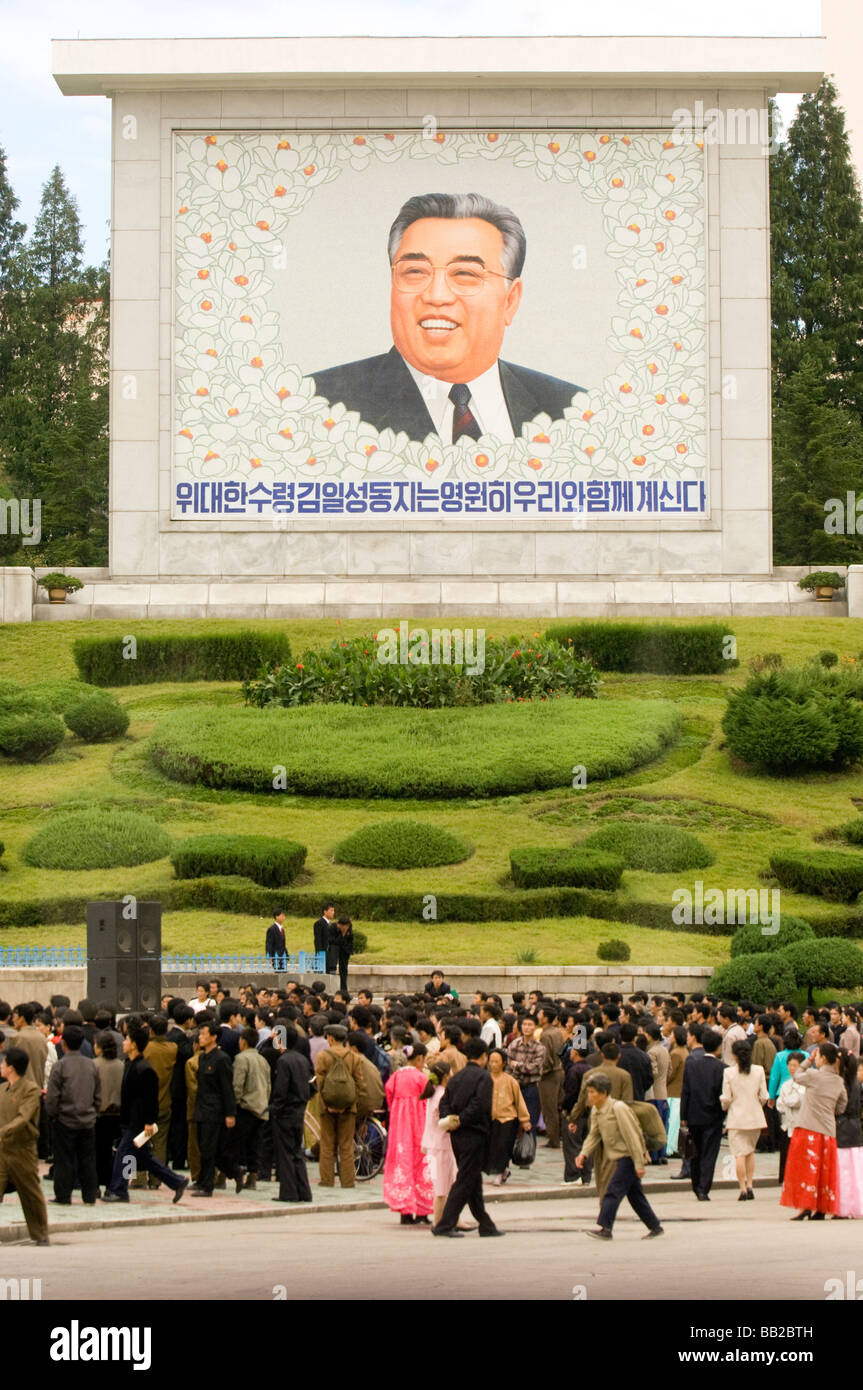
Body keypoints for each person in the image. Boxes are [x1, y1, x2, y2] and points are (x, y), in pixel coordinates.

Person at [309, 192, 583, 442]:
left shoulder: (574, 411)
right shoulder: (315, 405)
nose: (436, 295)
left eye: (465, 274)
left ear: (510, 301)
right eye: (415, 272)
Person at [102, 1027, 188, 1205]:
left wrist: (149, 1121)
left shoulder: (144, 1069)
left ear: (134, 1045)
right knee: (142, 1157)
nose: (123, 1043)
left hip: (139, 1122)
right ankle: (177, 1181)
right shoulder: (130, 1064)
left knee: (124, 1154)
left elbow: (150, 1099)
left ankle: (119, 1190)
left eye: (126, 1040)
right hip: (130, 1120)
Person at [576, 1073, 664, 1240]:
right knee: (635, 1196)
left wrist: (639, 1163)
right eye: (588, 1092)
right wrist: (583, 1154)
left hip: (628, 1156)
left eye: (592, 1092)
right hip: (618, 1156)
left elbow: (633, 1136)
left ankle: (605, 1228)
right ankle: (655, 1226)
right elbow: (594, 1135)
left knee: (613, 1191)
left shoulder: (618, 1108)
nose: (589, 1096)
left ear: (603, 1093)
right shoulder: (597, 1110)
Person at [432, 1037, 501, 1238]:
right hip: (474, 1133)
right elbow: (480, 1104)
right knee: (465, 1180)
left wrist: (450, 1119)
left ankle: (486, 1224)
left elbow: (444, 1102)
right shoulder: (483, 1077)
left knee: (471, 1178)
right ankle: (445, 1224)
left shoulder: (456, 1077)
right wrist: (463, 1119)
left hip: (456, 1134)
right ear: (483, 1056)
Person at [781, 1041, 846, 1219]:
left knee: (805, 1169)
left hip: (808, 1127)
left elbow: (796, 1075)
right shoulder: (839, 1081)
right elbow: (841, 1106)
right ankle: (822, 1208)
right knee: (825, 1171)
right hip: (828, 1131)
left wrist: (807, 1060)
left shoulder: (813, 1075)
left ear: (823, 1058)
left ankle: (806, 1206)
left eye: (817, 1056)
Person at [45, 1024, 100, 1206]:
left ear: (64, 1044)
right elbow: (98, 1094)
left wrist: (53, 1115)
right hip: (88, 1120)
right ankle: (89, 1195)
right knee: (88, 1159)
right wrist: (94, 1112)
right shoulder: (91, 1065)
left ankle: (63, 1195)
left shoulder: (60, 1066)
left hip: (64, 1120)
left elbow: (52, 1097)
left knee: (64, 1160)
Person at [0, 1048, 49, 1244]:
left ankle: (40, 1235)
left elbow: (23, 1118)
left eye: (3, 1063)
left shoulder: (30, 1090)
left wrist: (3, 1132)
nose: (1, 1066)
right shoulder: (2, 1090)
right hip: (2, 1149)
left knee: (30, 1194)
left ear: (11, 1067)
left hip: (23, 1150)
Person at [191, 1019, 243, 1197]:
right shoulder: (203, 1057)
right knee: (206, 1148)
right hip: (201, 1109)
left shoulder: (222, 1059)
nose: (200, 1037)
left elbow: (227, 1088)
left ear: (214, 1037)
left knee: (209, 1149)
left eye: (204, 1034)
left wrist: (230, 1113)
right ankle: (234, 1172)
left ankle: (207, 1185)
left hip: (215, 1111)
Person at [383, 1043, 434, 1224]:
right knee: (421, 1164)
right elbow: (429, 1099)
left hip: (399, 1127)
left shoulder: (395, 1077)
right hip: (419, 1125)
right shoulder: (421, 1077)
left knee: (402, 1163)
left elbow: (388, 1097)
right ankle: (422, 1211)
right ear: (419, 1059)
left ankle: (405, 1212)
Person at [315, 1024, 367, 1189]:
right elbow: (359, 1083)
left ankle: (327, 1180)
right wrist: (350, 1102)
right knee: (346, 1146)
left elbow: (320, 1083)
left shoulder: (322, 1056)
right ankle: (347, 1181)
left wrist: (327, 1103)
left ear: (330, 1038)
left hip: (327, 1107)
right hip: (348, 1109)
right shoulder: (353, 1057)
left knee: (327, 1145)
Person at [720, 1039, 769, 1201]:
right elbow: (764, 1096)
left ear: (734, 1055)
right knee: (749, 1151)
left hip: (737, 1117)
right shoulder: (759, 1070)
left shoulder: (729, 1072)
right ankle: (750, 1185)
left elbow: (726, 1098)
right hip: (755, 1116)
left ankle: (742, 1187)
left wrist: (724, 1104)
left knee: (739, 1154)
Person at [680, 1026, 725, 1202]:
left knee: (695, 1151)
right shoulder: (722, 1068)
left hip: (693, 1114)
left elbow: (686, 1091)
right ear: (718, 1047)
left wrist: (683, 1116)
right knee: (709, 1153)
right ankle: (704, 1188)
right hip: (713, 1116)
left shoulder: (691, 1064)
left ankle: (695, 1183)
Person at [270, 1024, 313, 1203]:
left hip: (286, 1112)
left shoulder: (284, 1061)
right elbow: (312, 1085)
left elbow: (281, 1090)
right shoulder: (302, 1059)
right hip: (299, 1110)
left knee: (286, 1154)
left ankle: (288, 1192)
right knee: (296, 1152)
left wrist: (274, 1108)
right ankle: (303, 1191)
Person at [421, 1058, 457, 1228]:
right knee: (443, 1186)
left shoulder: (434, 1093)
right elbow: (444, 1120)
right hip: (442, 1143)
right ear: (445, 1076)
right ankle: (439, 1222)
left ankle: (450, 1220)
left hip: (435, 1143)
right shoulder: (442, 1095)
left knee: (444, 1184)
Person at [486, 1046, 530, 1186]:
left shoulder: (510, 1081)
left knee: (503, 1146)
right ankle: (501, 1171)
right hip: (490, 1118)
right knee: (491, 1146)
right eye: (491, 1061)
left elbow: (519, 1101)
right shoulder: (485, 1079)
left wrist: (525, 1120)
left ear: (503, 1063)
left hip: (508, 1118)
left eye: (496, 1061)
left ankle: (500, 1172)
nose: (493, 1064)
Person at [233, 1027, 271, 1189]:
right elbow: (268, 1085)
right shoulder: (262, 1060)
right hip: (261, 1107)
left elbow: (237, 1085)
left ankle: (238, 1172)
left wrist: (234, 1104)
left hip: (246, 1107)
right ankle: (253, 1177)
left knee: (239, 1143)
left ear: (243, 1041)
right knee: (255, 1145)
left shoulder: (241, 1059)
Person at [93, 1030, 124, 1194]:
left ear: (99, 1047)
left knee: (97, 1152)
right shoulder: (121, 1065)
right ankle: (112, 1185)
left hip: (99, 1115)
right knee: (113, 1153)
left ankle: (96, 1185)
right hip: (117, 1115)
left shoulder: (94, 1065)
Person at [835, 1048, 863, 1218]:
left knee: (843, 1171)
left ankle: (843, 1206)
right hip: (855, 1128)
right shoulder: (856, 1082)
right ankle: (854, 1204)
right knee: (855, 1172)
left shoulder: (841, 1081)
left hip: (842, 1127)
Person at [775, 1051, 806, 1183]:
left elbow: (799, 1100)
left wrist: (787, 1101)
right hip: (787, 1124)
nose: (791, 1068)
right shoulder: (786, 1084)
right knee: (786, 1155)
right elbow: (780, 1105)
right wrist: (787, 1102)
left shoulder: (806, 1084)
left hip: (801, 1124)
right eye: (790, 1065)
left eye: (795, 1065)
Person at [536, 1003, 565, 1148]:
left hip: (549, 1075)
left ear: (546, 1018)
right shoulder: (558, 1032)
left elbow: (546, 1059)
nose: (538, 1016)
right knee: (557, 1106)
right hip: (559, 1071)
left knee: (549, 1108)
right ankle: (557, 1136)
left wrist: (540, 1072)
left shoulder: (546, 1035)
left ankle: (553, 1139)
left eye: (540, 1014)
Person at [665, 1025, 688, 1160]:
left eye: (672, 1035)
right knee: (676, 1122)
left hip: (673, 1092)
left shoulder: (675, 1054)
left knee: (672, 1123)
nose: (670, 1037)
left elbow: (670, 1074)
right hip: (680, 1092)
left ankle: (671, 1148)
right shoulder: (685, 1052)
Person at [327, 917, 354, 993]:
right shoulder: (331, 928)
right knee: (332, 967)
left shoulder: (348, 927)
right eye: (346, 927)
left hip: (344, 950)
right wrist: (342, 934)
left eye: (348, 926)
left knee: (344, 969)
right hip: (334, 950)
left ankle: (344, 989)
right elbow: (332, 941)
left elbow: (350, 938)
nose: (348, 928)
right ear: (340, 925)